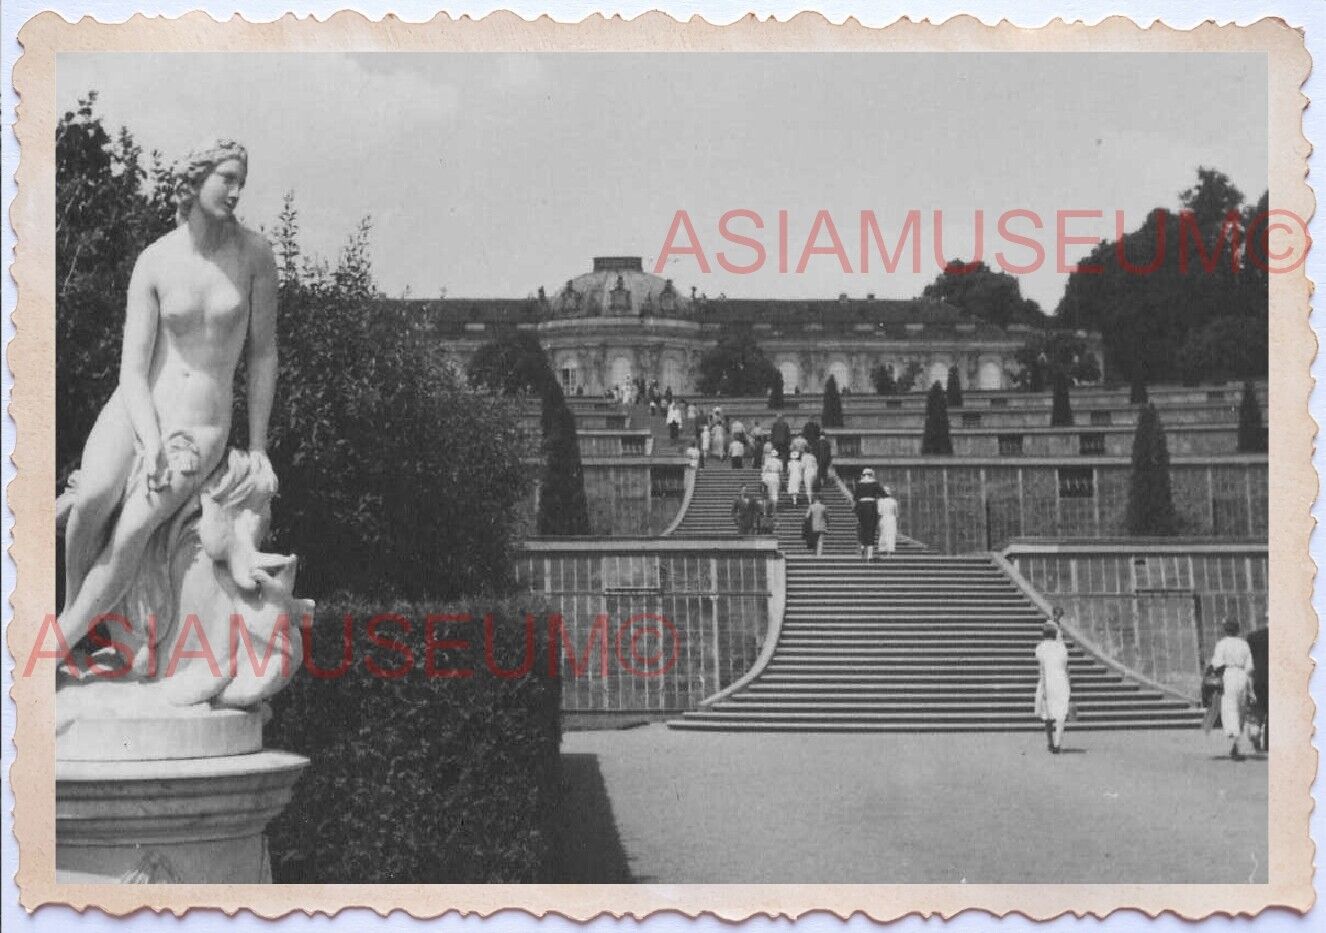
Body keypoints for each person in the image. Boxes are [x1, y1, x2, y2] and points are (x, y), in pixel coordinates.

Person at [59, 139, 279, 657]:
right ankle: (75, 610)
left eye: (240, 180)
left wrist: (259, 445)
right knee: (91, 499)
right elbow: (132, 371)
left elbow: (263, 355)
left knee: (133, 530)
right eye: (226, 177)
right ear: (195, 180)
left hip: (201, 424)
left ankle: (56, 646)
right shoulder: (154, 260)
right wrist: (149, 438)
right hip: (138, 408)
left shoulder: (255, 256)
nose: (235, 190)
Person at [1209, 620, 1257, 760]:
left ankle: (1234, 737)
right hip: (1242, 675)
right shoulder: (1244, 644)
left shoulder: (1222, 644)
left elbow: (1217, 663)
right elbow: (1250, 667)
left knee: (1230, 706)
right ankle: (1237, 737)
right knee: (1241, 706)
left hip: (1228, 675)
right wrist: (1251, 689)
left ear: (1225, 630)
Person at [1034, 613, 1072, 753]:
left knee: (1048, 715)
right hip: (1061, 682)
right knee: (1061, 714)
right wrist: (1070, 684)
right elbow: (1066, 669)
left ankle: (1050, 742)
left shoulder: (1040, 648)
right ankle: (1057, 743)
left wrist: (1042, 687)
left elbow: (1041, 670)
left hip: (1048, 682)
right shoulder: (1062, 648)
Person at [853, 468, 885, 561]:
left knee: (863, 528)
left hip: (861, 507)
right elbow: (883, 493)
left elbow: (855, 497)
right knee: (871, 529)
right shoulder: (875, 483)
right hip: (871, 507)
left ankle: (863, 546)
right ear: (871, 475)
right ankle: (870, 554)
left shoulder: (859, 484)